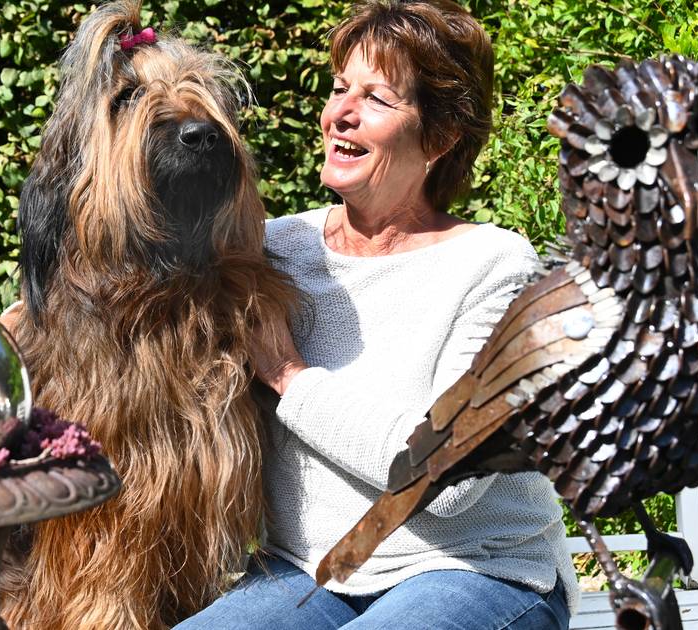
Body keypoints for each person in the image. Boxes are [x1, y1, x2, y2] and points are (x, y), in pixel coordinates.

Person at [175, 1, 578, 628]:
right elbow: (143, 320)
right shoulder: (273, 248)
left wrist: (288, 375)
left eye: (378, 99)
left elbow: (449, 473)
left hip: (475, 568)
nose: (341, 112)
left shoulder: (496, 266)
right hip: (311, 572)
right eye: (340, 90)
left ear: (440, 138)